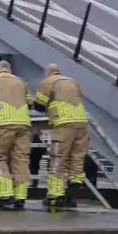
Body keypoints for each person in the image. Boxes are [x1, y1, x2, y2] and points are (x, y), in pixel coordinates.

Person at [34, 63, 90, 208]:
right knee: (77, 158)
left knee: (58, 159)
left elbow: (39, 105)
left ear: (48, 73)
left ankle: (55, 196)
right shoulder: (73, 81)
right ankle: (71, 193)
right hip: (81, 122)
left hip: (64, 123)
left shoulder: (48, 82)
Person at [0, 60, 32, 210]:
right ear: (10, 69)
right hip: (23, 124)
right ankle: (20, 196)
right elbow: (30, 103)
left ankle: (5, 194)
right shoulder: (22, 82)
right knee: (21, 160)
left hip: (3, 123)